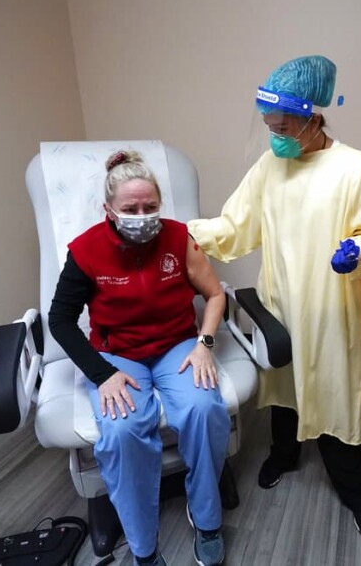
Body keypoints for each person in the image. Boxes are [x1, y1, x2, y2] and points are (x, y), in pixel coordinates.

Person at [188, 55, 361, 541]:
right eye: (269, 126)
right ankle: (284, 455)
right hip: (280, 305)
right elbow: (237, 227)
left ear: (313, 118)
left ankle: (353, 490)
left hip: (332, 310)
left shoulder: (355, 168)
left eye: (282, 126)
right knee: (284, 392)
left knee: (334, 395)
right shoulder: (270, 165)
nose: (274, 135)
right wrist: (183, 232)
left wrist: (358, 250)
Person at [49, 150, 230, 566]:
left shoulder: (178, 237)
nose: (142, 215)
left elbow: (215, 295)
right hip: (118, 354)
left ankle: (206, 519)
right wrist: (102, 373)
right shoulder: (86, 251)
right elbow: (59, 320)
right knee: (123, 430)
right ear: (109, 209)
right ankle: (144, 549)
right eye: (130, 208)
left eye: (150, 206)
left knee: (204, 409)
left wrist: (204, 344)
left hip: (176, 345)